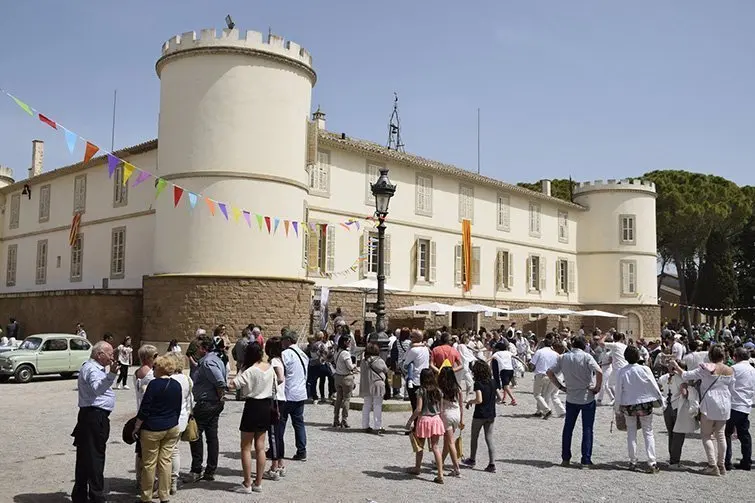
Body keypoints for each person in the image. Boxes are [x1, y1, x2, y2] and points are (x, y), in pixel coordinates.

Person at [670, 344, 735, 476]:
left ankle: (712, 465)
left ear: (710, 355)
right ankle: (721, 464)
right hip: (725, 402)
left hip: (710, 402)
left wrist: (676, 367)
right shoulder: (730, 370)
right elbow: (732, 389)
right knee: (721, 435)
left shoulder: (706, 368)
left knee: (706, 435)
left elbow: (687, 375)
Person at [71, 341, 119, 503]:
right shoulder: (92, 369)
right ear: (99, 354)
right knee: (95, 457)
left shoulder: (95, 368)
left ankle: (80, 495)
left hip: (92, 416)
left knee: (86, 456)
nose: (112, 357)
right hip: (94, 416)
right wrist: (111, 374)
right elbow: (97, 389)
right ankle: (96, 496)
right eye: (110, 354)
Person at [547, 335, 603, 468]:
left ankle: (565, 458)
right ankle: (586, 460)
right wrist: (597, 388)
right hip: (586, 396)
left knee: (568, 428)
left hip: (571, 396)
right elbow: (599, 371)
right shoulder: (586, 357)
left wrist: (560, 387)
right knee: (587, 429)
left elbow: (549, 372)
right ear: (584, 345)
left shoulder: (564, 357)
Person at [133, 355, 183, 503]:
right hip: (171, 427)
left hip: (153, 428)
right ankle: (164, 495)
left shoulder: (154, 385)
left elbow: (145, 408)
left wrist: (136, 426)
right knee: (165, 462)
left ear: (160, 369)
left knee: (149, 463)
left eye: (155, 367)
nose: (153, 369)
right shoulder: (176, 385)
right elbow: (178, 407)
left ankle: (147, 496)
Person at [229, 342, 275, 493]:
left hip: (252, 406)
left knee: (246, 447)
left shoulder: (250, 371)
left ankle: (247, 483)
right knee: (261, 447)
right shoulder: (269, 368)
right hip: (265, 406)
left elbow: (234, 384)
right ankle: (258, 482)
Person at [614, 346, 663, 473]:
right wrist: (660, 400)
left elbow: (618, 391)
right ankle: (652, 462)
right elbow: (654, 385)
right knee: (648, 432)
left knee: (631, 432)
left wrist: (617, 407)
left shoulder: (622, 372)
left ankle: (632, 461)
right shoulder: (645, 369)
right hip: (645, 404)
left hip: (629, 404)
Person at [185, 336, 228, 483]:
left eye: (198, 348)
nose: (197, 350)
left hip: (206, 403)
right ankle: (210, 469)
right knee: (212, 436)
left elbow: (220, 381)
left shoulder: (208, 362)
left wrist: (219, 394)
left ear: (204, 348)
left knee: (195, 434)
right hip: (212, 402)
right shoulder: (216, 359)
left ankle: (196, 469)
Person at [405, 368, 446, 484]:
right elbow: (441, 409)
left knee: (420, 446)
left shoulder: (421, 391)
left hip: (424, 419)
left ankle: (417, 468)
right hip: (436, 419)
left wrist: (410, 421)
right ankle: (440, 473)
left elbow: (418, 409)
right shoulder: (438, 391)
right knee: (435, 447)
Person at [463, 360, 497, 473]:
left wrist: (470, 402)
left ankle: (472, 459)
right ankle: (492, 464)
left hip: (480, 414)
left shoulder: (478, 383)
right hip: (491, 414)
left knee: (474, 437)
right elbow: (500, 398)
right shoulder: (493, 382)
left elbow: (479, 399)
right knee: (489, 438)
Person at [280, 331, 309, 461]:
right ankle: (302, 450)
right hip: (300, 393)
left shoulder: (285, 354)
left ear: (288, 340)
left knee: (280, 423)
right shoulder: (303, 354)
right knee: (299, 423)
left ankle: (277, 450)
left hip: (288, 393)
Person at [725, 347, 754, 471]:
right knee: (744, 434)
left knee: (726, 433)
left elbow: (727, 384)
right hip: (746, 405)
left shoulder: (734, 369)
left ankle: (727, 461)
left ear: (736, 357)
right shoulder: (753, 370)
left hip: (733, 404)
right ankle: (746, 461)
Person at [168, 352, 193, 495]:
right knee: (175, 450)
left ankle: (163, 481)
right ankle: (173, 481)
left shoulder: (170, 379)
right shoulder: (187, 379)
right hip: (182, 419)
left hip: (169, 419)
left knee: (166, 452)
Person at [265, 337, 287, 478]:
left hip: (276, 400)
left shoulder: (274, 361)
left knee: (273, 434)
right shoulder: (280, 360)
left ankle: (274, 466)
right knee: (279, 434)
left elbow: (280, 378)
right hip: (281, 399)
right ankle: (280, 463)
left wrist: (268, 386)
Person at [403, 330, 431, 433]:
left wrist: (410, 347)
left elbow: (405, 362)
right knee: (422, 405)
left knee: (415, 405)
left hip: (415, 379)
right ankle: (419, 425)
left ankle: (416, 427)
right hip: (424, 379)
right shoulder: (425, 349)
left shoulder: (414, 350)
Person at [438, 366, 463, 477]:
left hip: (446, 415)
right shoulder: (458, 388)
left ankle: (456, 467)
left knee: (450, 442)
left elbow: (439, 406)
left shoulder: (441, 389)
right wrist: (462, 419)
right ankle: (441, 462)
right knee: (447, 441)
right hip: (456, 414)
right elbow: (461, 405)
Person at [360, 343, 388, 433]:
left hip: (366, 384)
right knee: (377, 405)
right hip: (377, 384)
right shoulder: (379, 360)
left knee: (366, 405)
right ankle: (377, 426)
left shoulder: (363, 361)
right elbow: (385, 370)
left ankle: (365, 425)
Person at [531, 336, 562, 419]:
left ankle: (547, 410)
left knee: (537, 394)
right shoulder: (555, 354)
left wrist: (532, 368)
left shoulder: (539, 352)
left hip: (541, 375)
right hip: (551, 376)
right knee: (543, 395)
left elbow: (532, 364)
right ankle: (539, 411)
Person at [333, 334, 358, 428]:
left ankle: (335, 419)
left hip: (338, 376)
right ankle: (344, 419)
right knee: (346, 399)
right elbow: (350, 366)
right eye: (348, 341)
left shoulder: (337, 351)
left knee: (338, 399)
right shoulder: (346, 353)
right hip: (346, 377)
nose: (349, 342)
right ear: (344, 342)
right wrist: (355, 365)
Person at [491, 340, 518, 406]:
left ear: (498, 348)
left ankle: (513, 400)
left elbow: (490, 358)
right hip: (511, 370)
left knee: (505, 387)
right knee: (506, 385)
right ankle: (504, 398)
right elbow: (516, 357)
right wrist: (524, 364)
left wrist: (484, 363)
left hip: (504, 370)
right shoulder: (508, 352)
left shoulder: (497, 353)